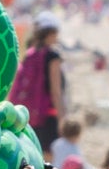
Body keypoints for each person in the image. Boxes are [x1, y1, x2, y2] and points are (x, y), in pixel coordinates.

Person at [12, 18, 68, 155]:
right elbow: (56, 91)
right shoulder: (52, 56)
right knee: (48, 157)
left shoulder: (29, 54)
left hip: (30, 114)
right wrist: (62, 119)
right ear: (50, 34)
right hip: (48, 114)